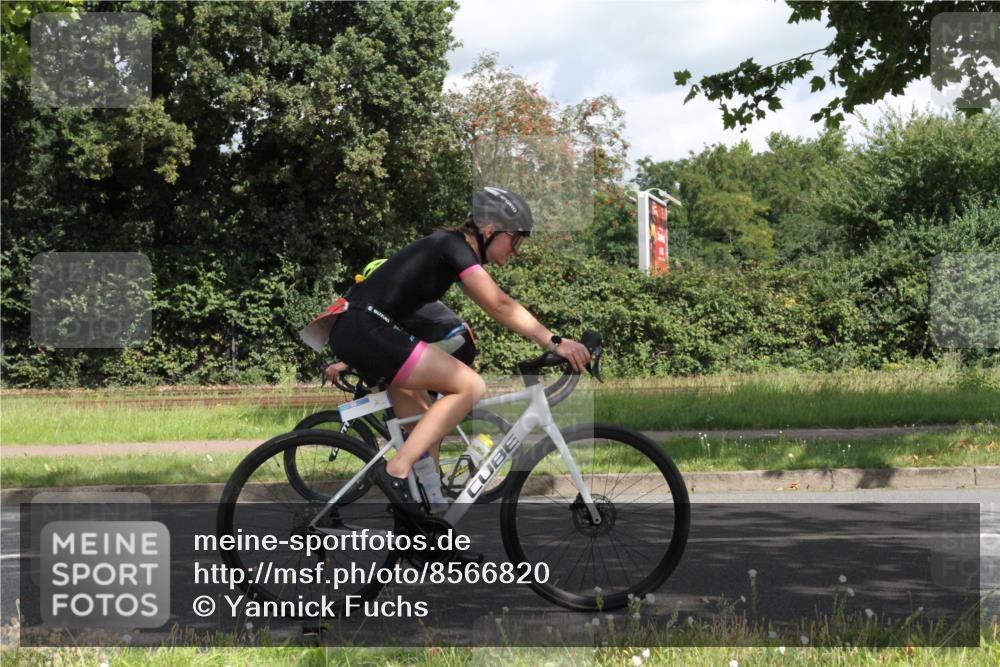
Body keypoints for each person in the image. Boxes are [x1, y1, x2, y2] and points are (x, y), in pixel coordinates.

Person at [326, 186, 591, 515]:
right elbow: (499, 304)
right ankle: (395, 473)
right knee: (471, 386)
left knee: (425, 426)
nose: (517, 250)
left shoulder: (448, 253)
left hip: (360, 328)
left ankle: (431, 520)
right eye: (515, 240)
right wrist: (555, 341)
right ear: (489, 229)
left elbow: (496, 303)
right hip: (364, 327)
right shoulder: (451, 246)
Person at [324, 260, 477, 384]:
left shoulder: (394, 300)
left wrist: (345, 364)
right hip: (457, 338)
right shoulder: (401, 295)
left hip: (454, 339)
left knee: (402, 374)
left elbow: (381, 344)